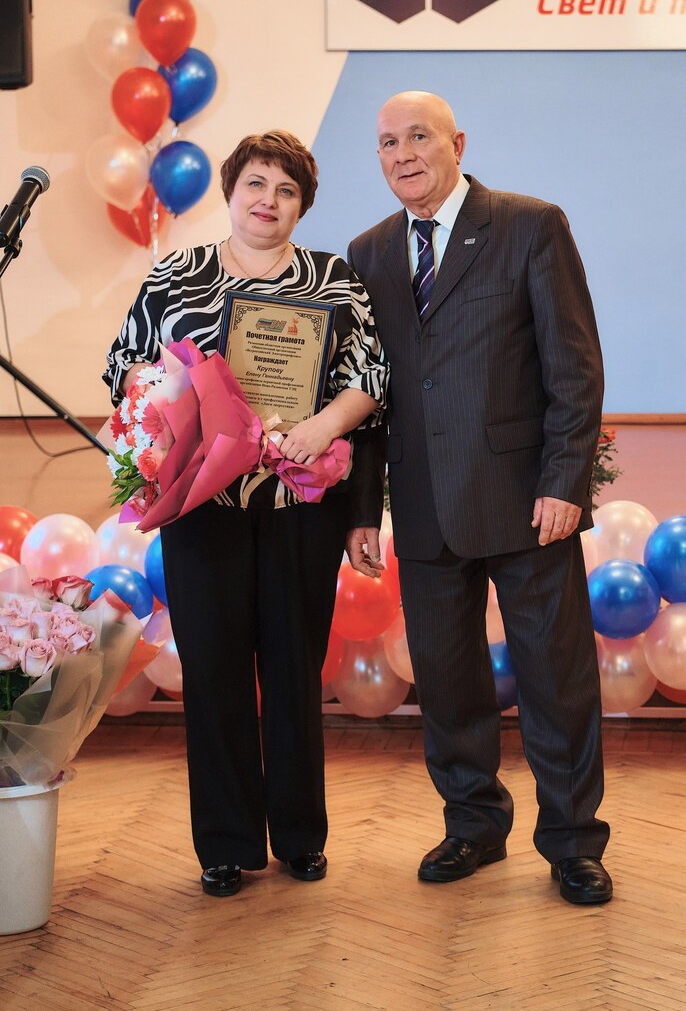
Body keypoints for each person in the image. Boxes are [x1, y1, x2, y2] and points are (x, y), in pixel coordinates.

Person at [105, 130, 387, 898]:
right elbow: (124, 367)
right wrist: (180, 406)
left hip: (301, 505)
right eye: (256, 184)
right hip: (203, 506)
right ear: (231, 192)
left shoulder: (334, 280)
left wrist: (320, 427)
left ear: (302, 206)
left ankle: (300, 836)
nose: (269, 200)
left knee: (294, 669)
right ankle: (226, 843)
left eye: (287, 190)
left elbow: (371, 376)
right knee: (215, 671)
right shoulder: (177, 274)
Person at [347, 92, 611, 906]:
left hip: (526, 503)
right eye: (387, 142)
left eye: (417, 136)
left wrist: (564, 481)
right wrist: (361, 509)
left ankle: (573, 843)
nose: (402, 154)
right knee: (448, 681)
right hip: (423, 504)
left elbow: (575, 366)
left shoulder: (530, 225)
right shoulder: (370, 251)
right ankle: (473, 825)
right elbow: (367, 390)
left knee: (556, 680)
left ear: (457, 143)